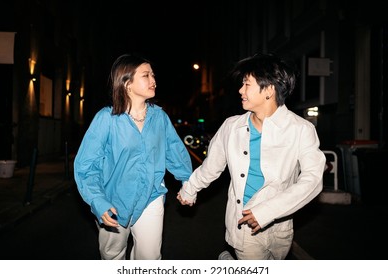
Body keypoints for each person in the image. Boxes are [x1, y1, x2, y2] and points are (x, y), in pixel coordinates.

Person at [177, 53, 326, 260]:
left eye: (247, 84)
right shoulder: (231, 127)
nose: (240, 90)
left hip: (281, 225)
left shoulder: (301, 129)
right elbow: (211, 167)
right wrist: (190, 188)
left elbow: (313, 179)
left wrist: (267, 211)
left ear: (269, 90)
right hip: (245, 223)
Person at [74, 53, 192, 260]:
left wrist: (189, 185)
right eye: (146, 75)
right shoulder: (106, 119)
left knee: (150, 257)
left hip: (151, 196)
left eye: (153, 75)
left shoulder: (159, 118)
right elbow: (86, 166)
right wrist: (98, 201)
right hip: (113, 201)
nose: (153, 80)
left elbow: (176, 153)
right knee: (112, 256)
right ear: (127, 83)